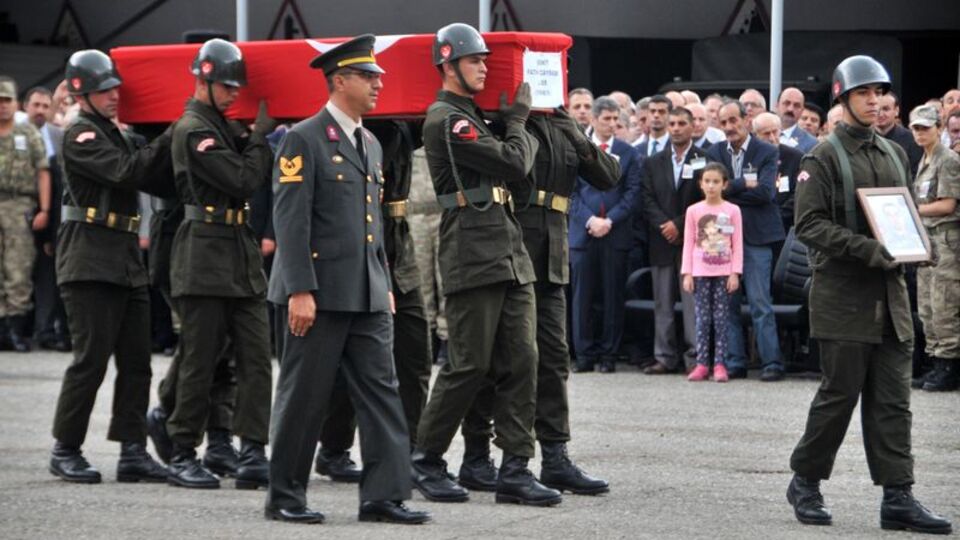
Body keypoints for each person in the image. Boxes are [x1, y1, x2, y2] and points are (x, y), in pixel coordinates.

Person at [266, 33, 429, 525]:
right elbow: (290, 221)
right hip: (318, 293)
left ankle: (383, 494)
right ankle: (286, 496)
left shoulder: (372, 142)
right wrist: (299, 289)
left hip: (367, 293)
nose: (379, 83)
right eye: (369, 76)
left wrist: (382, 281)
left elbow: (370, 221)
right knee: (304, 397)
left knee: (382, 392)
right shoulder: (304, 138)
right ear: (340, 81)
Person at [787, 55, 952, 534]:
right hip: (844, 295)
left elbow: (903, 215)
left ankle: (898, 496)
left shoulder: (892, 153)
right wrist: (868, 249)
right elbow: (809, 224)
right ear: (844, 97)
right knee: (838, 397)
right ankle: (806, 482)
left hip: (891, 297)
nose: (875, 101)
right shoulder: (821, 156)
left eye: (880, 93)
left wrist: (915, 247)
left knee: (894, 403)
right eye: (865, 93)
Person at [411, 22, 560, 508]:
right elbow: (515, 163)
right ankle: (426, 459)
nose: (482, 67)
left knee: (523, 359)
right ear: (448, 65)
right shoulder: (446, 118)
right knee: (468, 364)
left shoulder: (472, 116)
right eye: (474, 60)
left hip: (506, 246)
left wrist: (510, 127)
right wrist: (517, 123)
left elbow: (515, 172)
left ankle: (515, 464)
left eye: (483, 60)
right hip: (472, 249)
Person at [458, 105, 619, 495]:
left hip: (552, 251)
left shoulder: (562, 124)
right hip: (511, 247)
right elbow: (507, 168)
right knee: (499, 358)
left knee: (553, 357)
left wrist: (578, 135)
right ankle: (477, 455)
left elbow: (608, 177)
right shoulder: (500, 120)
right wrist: (515, 119)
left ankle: (555, 456)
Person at [49, 50, 171, 484]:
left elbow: (150, 173)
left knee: (137, 362)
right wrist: (171, 134)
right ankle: (66, 448)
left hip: (122, 259)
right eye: (104, 90)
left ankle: (133, 450)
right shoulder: (81, 134)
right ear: (82, 92)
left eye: (115, 87)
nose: (114, 95)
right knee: (91, 361)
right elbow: (123, 173)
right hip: (89, 259)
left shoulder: (113, 132)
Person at [164, 39, 273, 490]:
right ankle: (182, 451)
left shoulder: (223, 127)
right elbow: (243, 179)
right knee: (200, 360)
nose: (234, 93)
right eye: (226, 85)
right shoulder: (195, 129)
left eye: (236, 86)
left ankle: (251, 449)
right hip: (204, 253)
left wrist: (249, 137)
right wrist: (262, 139)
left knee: (255, 356)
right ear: (203, 80)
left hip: (238, 251)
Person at [706, 100, 785, 381]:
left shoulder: (766, 150)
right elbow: (709, 192)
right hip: (723, 238)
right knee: (727, 303)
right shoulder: (713, 152)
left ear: (746, 120)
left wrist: (728, 188)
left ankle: (772, 362)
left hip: (757, 237)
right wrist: (741, 184)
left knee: (759, 302)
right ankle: (735, 361)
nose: (729, 127)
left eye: (733, 121)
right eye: (723, 122)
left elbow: (765, 193)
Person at [570, 96, 642, 373]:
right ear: (595, 119)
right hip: (582, 233)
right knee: (582, 298)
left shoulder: (628, 152)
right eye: (607, 119)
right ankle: (584, 355)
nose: (613, 124)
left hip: (615, 233)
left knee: (612, 297)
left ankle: (608, 355)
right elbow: (570, 192)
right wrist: (589, 219)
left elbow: (633, 193)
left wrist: (610, 220)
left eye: (616, 119)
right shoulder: (579, 149)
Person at [639, 106, 707, 375]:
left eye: (682, 123)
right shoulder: (653, 161)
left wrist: (679, 224)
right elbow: (646, 198)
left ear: (692, 127)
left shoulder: (704, 158)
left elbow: (705, 197)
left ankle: (695, 358)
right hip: (661, 240)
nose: (676, 128)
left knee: (692, 304)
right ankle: (664, 356)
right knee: (663, 302)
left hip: (692, 240)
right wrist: (664, 225)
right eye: (673, 123)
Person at [908, 104, 960, 392]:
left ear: (939, 129)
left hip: (946, 240)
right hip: (928, 239)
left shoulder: (947, 159)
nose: (919, 133)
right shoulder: (925, 159)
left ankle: (949, 365)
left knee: (944, 304)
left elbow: (948, 204)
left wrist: (914, 209)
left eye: (926, 127)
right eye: (916, 128)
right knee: (927, 304)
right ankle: (934, 361)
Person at [0, 76, 51, 352]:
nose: (3, 106)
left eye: (7, 100)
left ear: (15, 104)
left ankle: (15, 330)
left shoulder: (27, 133)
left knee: (18, 268)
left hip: (19, 206)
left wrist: (44, 208)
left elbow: (43, 172)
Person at [681, 163, 743, 382]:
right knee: (702, 318)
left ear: (724, 184)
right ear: (700, 184)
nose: (711, 186)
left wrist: (735, 272)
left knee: (721, 317)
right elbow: (688, 242)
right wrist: (687, 273)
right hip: (700, 270)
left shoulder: (732, 210)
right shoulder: (694, 211)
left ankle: (719, 364)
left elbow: (737, 243)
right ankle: (701, 363)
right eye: (707, 181)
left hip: (723, 271)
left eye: (716, 181)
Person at [22, 85, 70, 352]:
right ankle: (17, 328)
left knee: (47, 276)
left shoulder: (58, 136)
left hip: (49, 214)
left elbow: (60, 180)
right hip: (18, 211)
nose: (40, 111)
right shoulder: (14, 130)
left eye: (45, 105)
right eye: (35, 105)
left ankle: (44, 330)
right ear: (25, 106)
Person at [752, 112, 804, 237]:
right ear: (755, 136)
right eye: (766, 134)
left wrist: (777, 217)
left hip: (786, 227)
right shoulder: (749, 159)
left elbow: (799, 194)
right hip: (756, 228)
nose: (771, 138)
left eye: (774, 132)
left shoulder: (796, 157)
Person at [875, 92, 923, 175]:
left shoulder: (912, 139)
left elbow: (915, 174)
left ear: (896, 111)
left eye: (886, 109)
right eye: (876, 109)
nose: (880, 114)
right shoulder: (863, 138)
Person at [777, 87, 817, 153]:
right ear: (777, 105)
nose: (790, 109)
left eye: (796, 105)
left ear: (802, 110)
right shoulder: (759, 134)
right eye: (787, 103)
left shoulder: (812, 144)